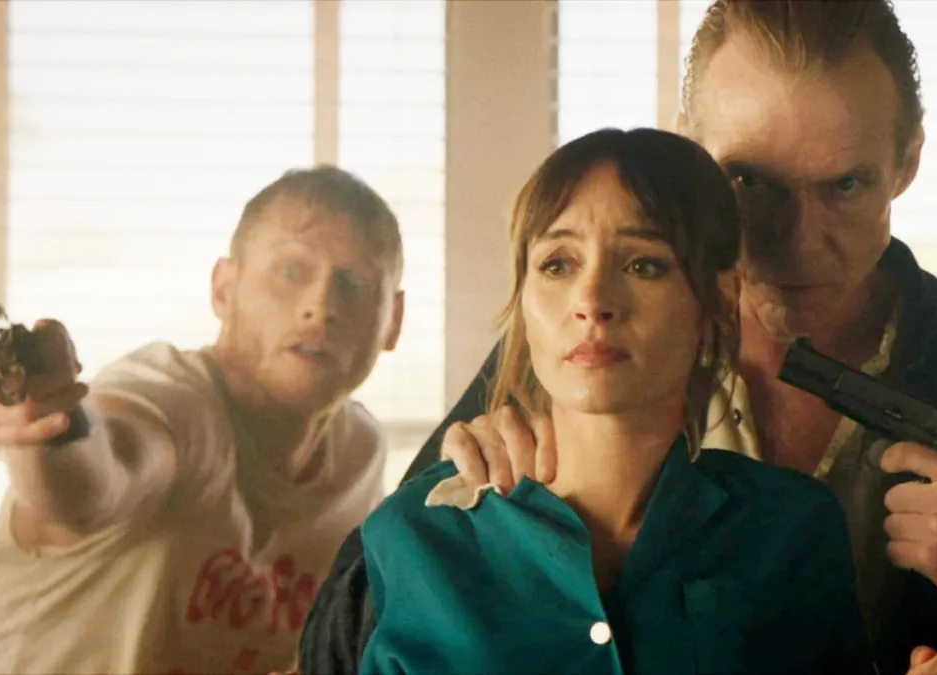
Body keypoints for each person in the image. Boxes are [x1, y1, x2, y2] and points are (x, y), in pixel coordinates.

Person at [302, 2, 937, 675]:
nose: (790, 240)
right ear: (690, 152)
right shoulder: (576, 352)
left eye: (844, 185)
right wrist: (458, 489)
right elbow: (341, 635)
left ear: (906, 163)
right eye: (746, 181)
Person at [356, 126, 876, 674]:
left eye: (642, 265)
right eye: (557, 264)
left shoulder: (790, 530)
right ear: (525, 299)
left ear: (719, 301)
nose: (592, 300)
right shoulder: (415, 534)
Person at [0, 166, 405, 675]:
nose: (321, 306)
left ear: (394, 320)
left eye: (355, 284)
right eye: (292, 273)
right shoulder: (172, 400)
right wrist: (49, 424)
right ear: (224, 289)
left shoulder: (359, 457)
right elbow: (96, 480)